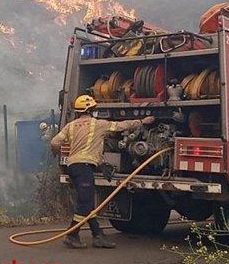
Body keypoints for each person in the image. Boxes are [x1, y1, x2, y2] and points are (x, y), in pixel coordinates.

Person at [50, 95, 154, 249]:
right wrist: (142, 122)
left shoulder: (70, 126)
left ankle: (98, 235)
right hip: (84, 167)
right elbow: (121, 126)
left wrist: (56, 153)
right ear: (91, 110)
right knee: (85, 204)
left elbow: (54, 142)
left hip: (73, 167)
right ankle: (72, 235)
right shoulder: (98, 124)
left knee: (89, 203)